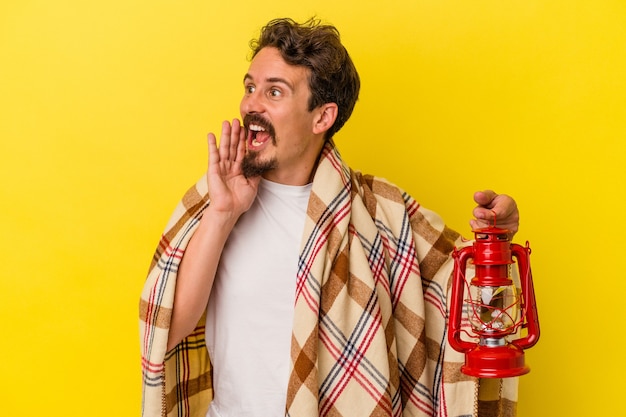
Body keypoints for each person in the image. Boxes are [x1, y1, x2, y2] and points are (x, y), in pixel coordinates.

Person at [139, 17, 521, 417]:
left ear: (322, 118)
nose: (251, 104)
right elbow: (162, 335)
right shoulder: (213, 200)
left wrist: (497, 241)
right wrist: (222, 213)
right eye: (250, 87)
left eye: (274, 92)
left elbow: (476, 299)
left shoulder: (381, 212)